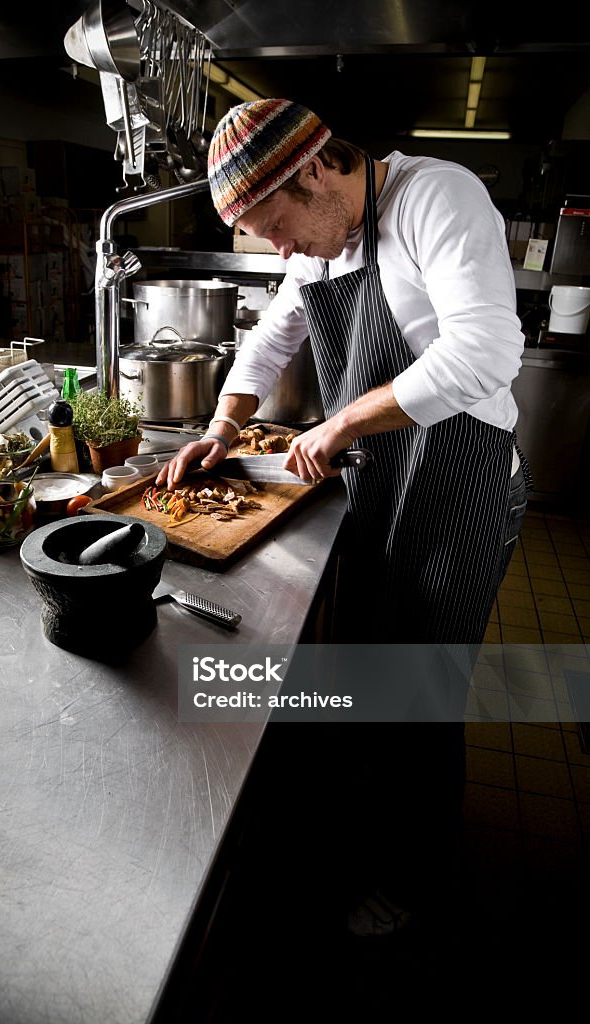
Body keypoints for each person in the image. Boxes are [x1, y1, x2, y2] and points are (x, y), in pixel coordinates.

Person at [156, 98, 531, 937]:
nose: (280, 249)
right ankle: (365, 831)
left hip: (462, 487)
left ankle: (417, 878)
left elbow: (483, 351)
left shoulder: (436, 197)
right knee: (372, 672)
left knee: (423, 692)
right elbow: (267, 341)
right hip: (383, 485)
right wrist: (220, 429)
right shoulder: (323, 247)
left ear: (317, 168)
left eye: (275, 225)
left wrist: (340, 422)